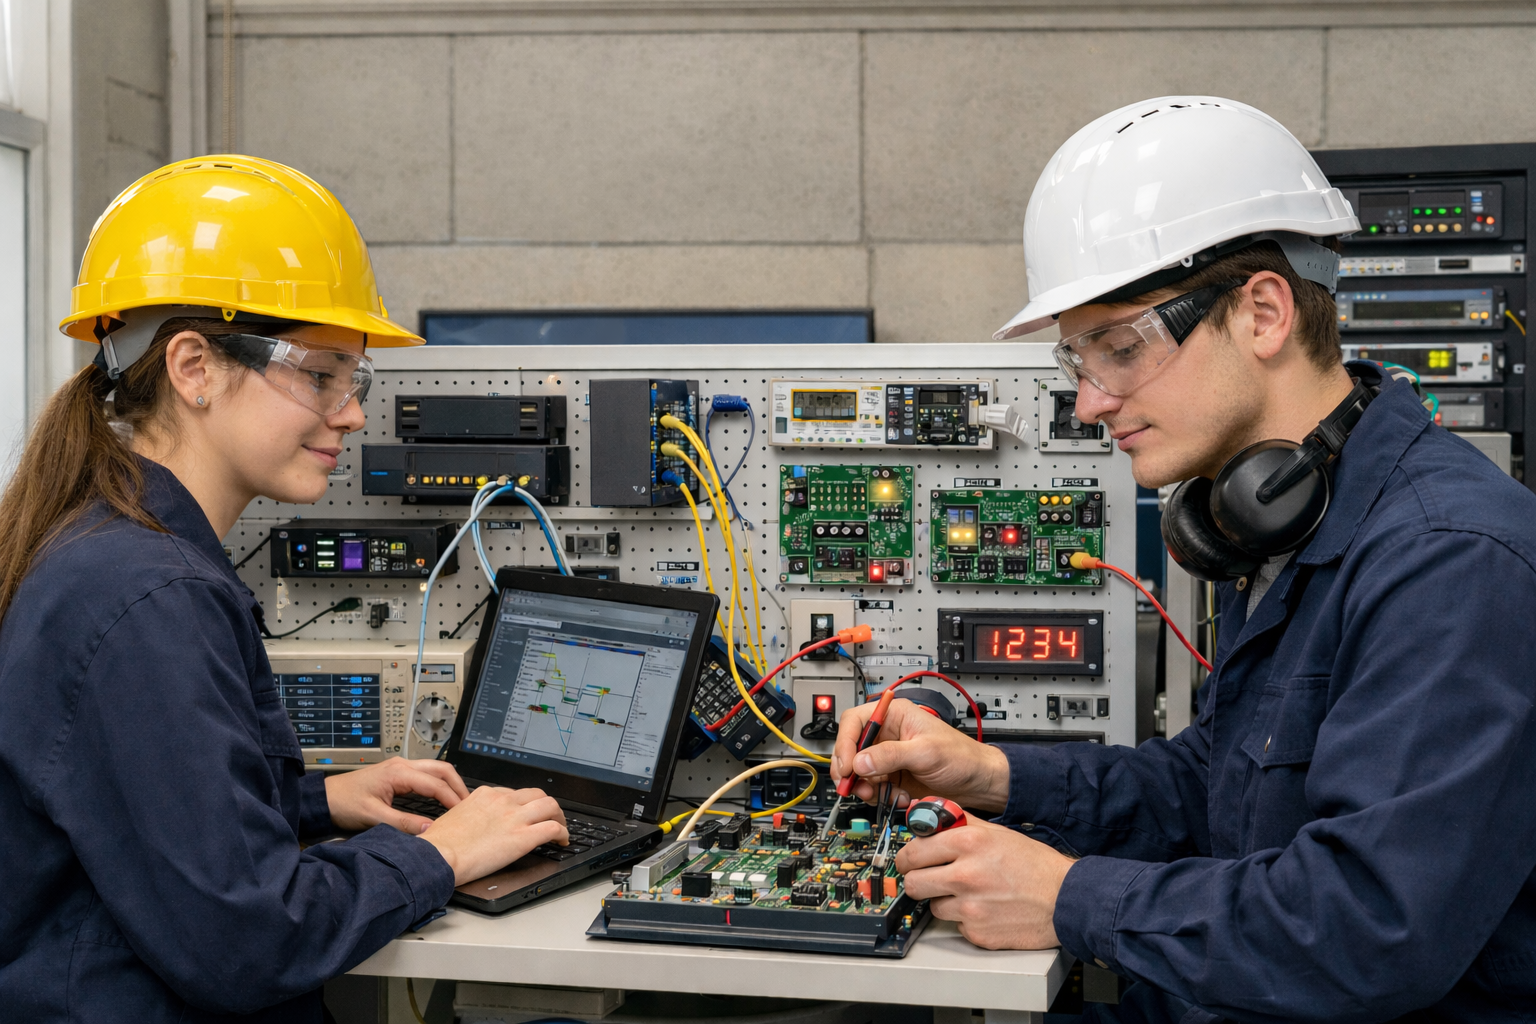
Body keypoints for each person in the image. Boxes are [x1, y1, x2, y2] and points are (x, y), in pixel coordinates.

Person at [833, 97, 1536, 1022]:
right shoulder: (1284, 522)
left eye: (1118, 349)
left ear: (1263, 313)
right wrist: (991, 774)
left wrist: (1067, 896)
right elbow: (1217, 787)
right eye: (1076, 361)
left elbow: (1371, 930)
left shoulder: (1448, 563)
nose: (1089, 402)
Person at [0, 156, 569, 1023]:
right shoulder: (147, 596)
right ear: (193, 367)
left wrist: (318, 801)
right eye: (319, 374)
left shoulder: (105, 544)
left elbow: (134, 818)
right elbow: (249, 940)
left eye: (356, 379)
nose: (351, 412)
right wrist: (444, 855)